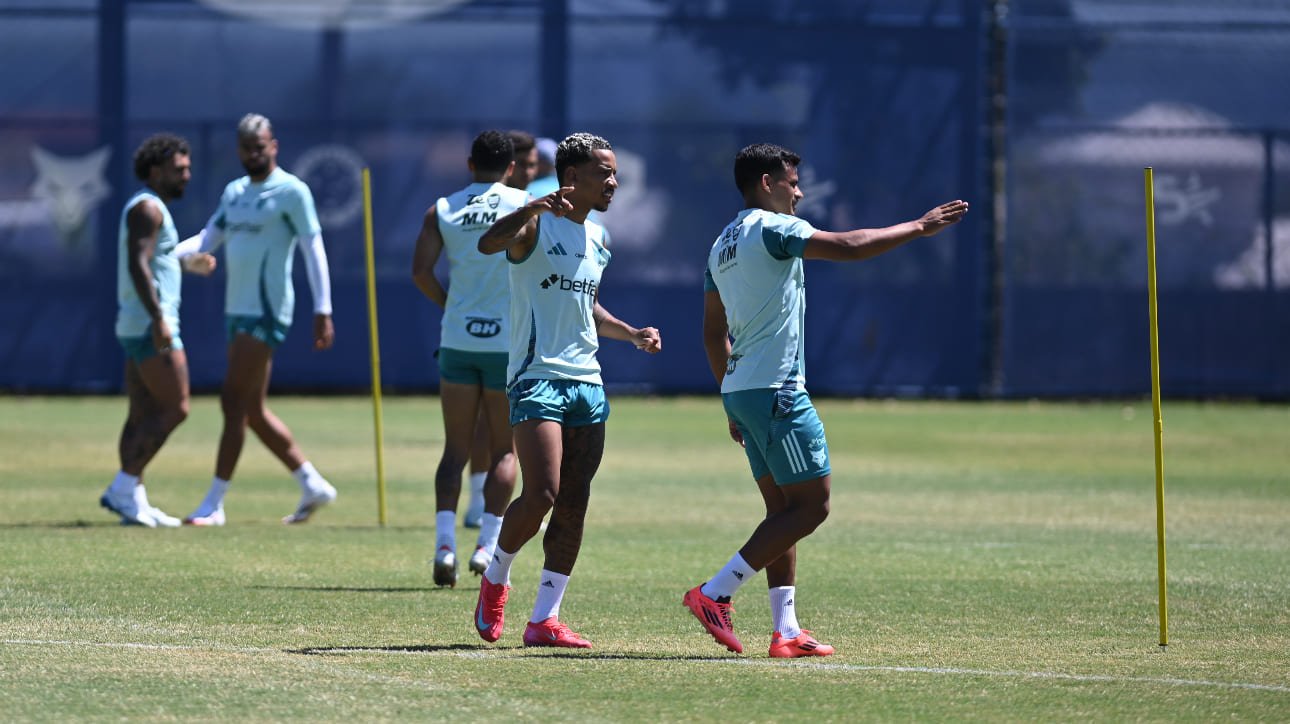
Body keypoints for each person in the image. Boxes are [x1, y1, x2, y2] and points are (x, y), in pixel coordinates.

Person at [687, 143, 969, 658]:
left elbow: (711, 333)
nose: (798, 192)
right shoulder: (773, 227)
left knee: (782, 512)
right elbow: (852, 246)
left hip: (744, 389)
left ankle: (786, 630)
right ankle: (714, 593)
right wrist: (919, 227)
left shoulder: (721, 243)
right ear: (767, 182)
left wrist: (730, 400)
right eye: (792, 182)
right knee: (812, 506)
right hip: (777, 390)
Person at [473, 132, 661, 649]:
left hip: (588, 383)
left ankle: (545, 619)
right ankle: (497, 576)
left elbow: (589, 308)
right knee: (542, 495)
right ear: (572, 178)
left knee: (574, 503)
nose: (614, 182)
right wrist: (530, 206)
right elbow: (487, 243)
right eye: (605, 173)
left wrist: (631, 333)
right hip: (537, 379)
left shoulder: (599, 238)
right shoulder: (533, 226)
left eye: (615, 172)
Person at [182, 113, 338, 526]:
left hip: (268, 310)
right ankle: (312, 483)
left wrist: (324, 309)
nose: (254, 153)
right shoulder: (234, 192)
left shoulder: (291, 191)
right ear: (239, 150)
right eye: (246, 147)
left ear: (274, 146)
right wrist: (170, 254)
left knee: (231, 401)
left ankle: (213, 503)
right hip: (237, 309)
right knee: (251, 408)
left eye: (261, 145)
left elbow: (313, 250)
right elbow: (205, 239)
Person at [411, 130, 526, 587]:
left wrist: (451, 305)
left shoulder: (442, 208)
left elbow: (420, 272)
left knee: (454, 450)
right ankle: (486, 546)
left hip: (459, 340)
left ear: (468, 163)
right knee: (504, 449)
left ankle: (443, 546)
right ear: (512, 167)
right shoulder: (522, 206)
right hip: (505, 345)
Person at [101, 133, 217, 527]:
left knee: (141, 414)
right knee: (176, 407)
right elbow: (139, 266)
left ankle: (133, 500)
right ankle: (123, 485)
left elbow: (157, 259)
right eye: (178, 169)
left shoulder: (151, 209)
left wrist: (186, 264)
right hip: (150, 324)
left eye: (187, 168)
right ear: (156, 171)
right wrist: (158, 318)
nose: (186, 175)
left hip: (139, 323)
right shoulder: (147, 209)